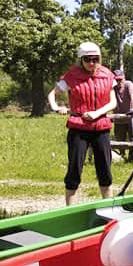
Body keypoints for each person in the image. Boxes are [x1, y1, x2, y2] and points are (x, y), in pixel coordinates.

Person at [48, 41, 117, 205]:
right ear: (81, 59)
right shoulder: (71, 76)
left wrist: (96, 113)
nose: (92, 63)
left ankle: (109, 207)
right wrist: (57, 107)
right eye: (88, 59)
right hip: (78, 128)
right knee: (74, 170)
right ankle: (70, 209)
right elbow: (52, 94)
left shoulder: (108, 75)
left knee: (105, 170)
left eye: (95, 59)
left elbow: (113, 102)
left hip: (101, 127)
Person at [112, 69, 133, 152]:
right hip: (118, 119)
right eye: (117, 80)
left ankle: (132, 157)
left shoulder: (128, 84)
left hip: (130, 118)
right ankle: (121, 155)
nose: (119, 82)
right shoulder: (113, 88)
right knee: (120, 140)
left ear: (124, 78)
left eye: (120, 79)